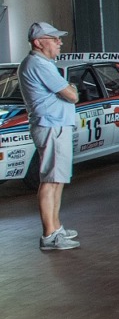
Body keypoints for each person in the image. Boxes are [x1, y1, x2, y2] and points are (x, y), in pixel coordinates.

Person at [19, 22, 80, 251]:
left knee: (57, 179)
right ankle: (49, 235)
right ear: (38, 42)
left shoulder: (43, 64)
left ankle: (56, 227)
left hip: (57, 125)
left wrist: (69, 90)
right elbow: (72, 95)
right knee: (50, 180)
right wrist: (71, 89)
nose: (59, 42)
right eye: (54, 39)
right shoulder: (38, 64)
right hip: (51, 126)